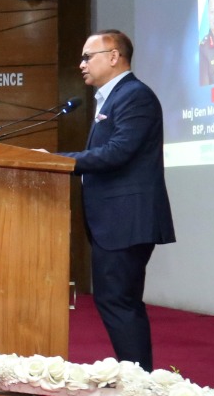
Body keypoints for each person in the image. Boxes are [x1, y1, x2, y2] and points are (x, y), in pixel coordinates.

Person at [59, 29, 175, 372]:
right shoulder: (115, 98)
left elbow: (118, 152)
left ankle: (138, 381)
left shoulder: (134, 96)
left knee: (118, 301)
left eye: (87, 56)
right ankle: (136, 377)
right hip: (116, 220)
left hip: (127, 219)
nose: (81, 64)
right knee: (118, 300)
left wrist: (57, 162)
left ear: (113, 57)